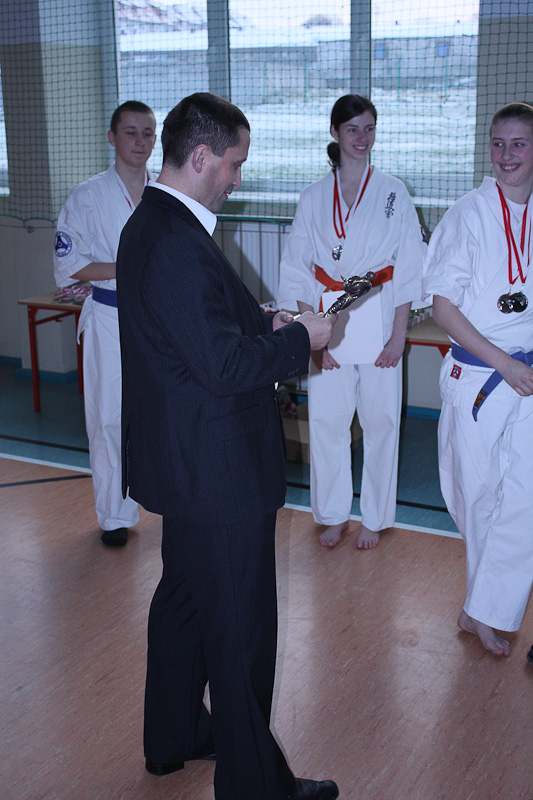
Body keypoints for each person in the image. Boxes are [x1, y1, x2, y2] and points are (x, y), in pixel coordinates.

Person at [116, 92, 339, 800]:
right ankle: (255, 786)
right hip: (217, 471)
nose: (237, 179)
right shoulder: (174, 241)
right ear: (202, 155)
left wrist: (264, 320)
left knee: (183, 603)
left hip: (188, 463)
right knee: (240, 632)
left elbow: (197, 332)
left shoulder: (157, 222)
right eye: (234, 164)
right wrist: (301, 339)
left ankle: (175, 733)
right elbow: (221, 366)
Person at [277, 94, 425, 550]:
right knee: (327, 421)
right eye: (353, 129)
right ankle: (334, 514)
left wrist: (398, 336)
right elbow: (297, 266)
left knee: (381, 422)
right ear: (335, 133)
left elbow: (408, 266)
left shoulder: (393, 192)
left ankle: (375, 518)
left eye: (369, 129)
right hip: (329, 317)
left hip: (379, 311)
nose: (362, 138)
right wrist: (311, 336)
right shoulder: (313, 196)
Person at [422, 101, 533, 656]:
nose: (506, 155)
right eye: (498, 143)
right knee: (479, 496)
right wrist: (504, 363)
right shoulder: (468, 214)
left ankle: (485, 610)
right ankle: (480, 607)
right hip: (481, 375)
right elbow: (442, 309)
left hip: (528, 376)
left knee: (526, 499)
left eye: (519, 144)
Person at [53, 101, 157, 547]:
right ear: (112, 137)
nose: (140, 141)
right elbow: (69, 265)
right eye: (130, 132)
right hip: (110, 318)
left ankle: (173, 501)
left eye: (148, 133)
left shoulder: (166, 193)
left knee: (164, 414)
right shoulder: (87, 196)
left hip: (158, 321)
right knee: (109, 418)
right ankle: (114, 516)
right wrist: (127, 268)